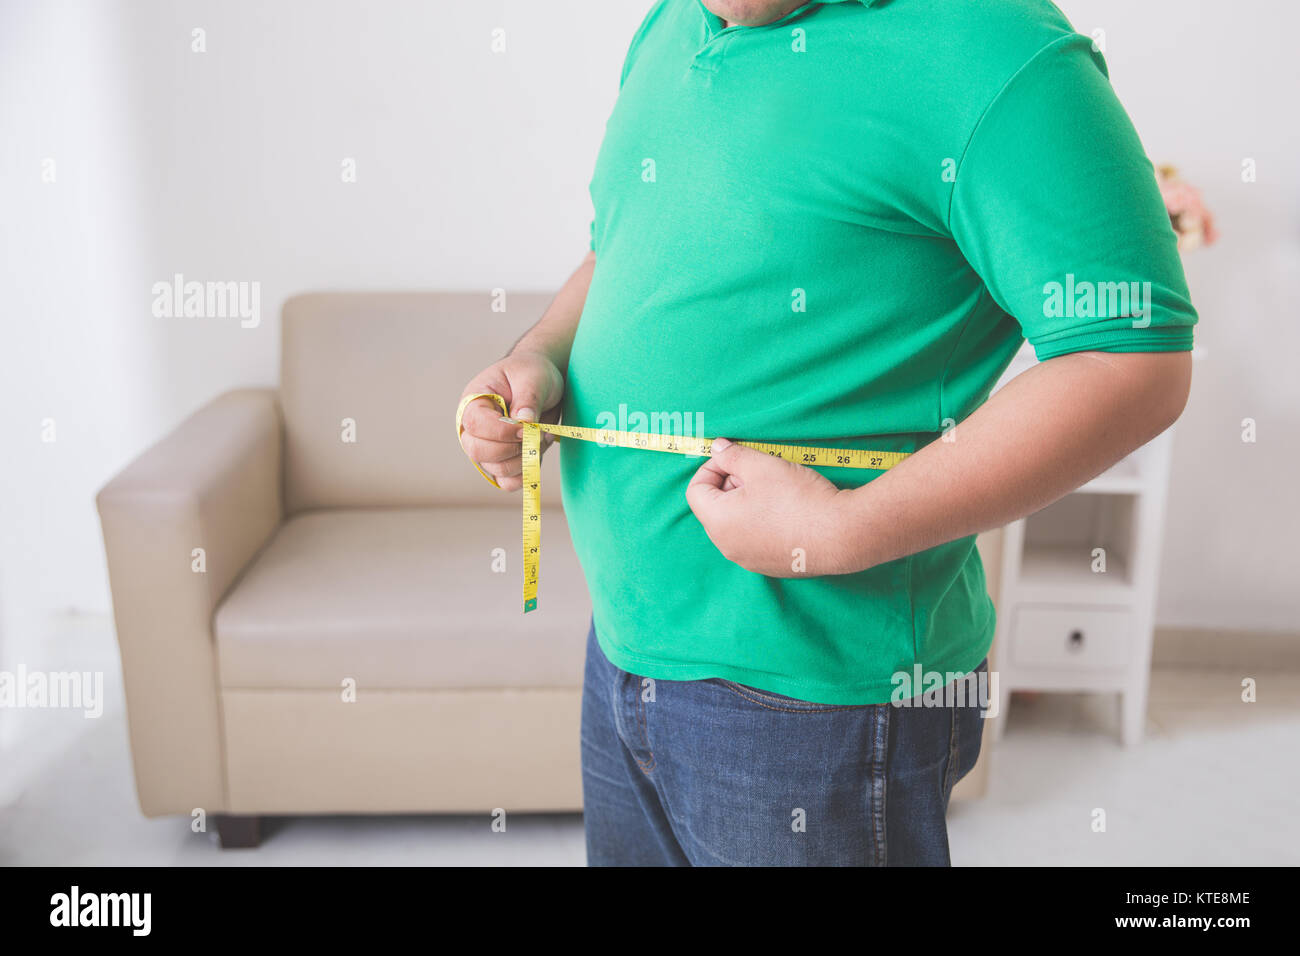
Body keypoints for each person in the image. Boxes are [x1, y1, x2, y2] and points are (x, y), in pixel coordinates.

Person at [457, 0, 1196, 866]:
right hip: (624, 645)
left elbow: (1134, 363)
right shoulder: (669, 26)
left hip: (818, 704)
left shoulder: (996, 49)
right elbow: (617, 248)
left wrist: (843, 530)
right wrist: (539, 354)